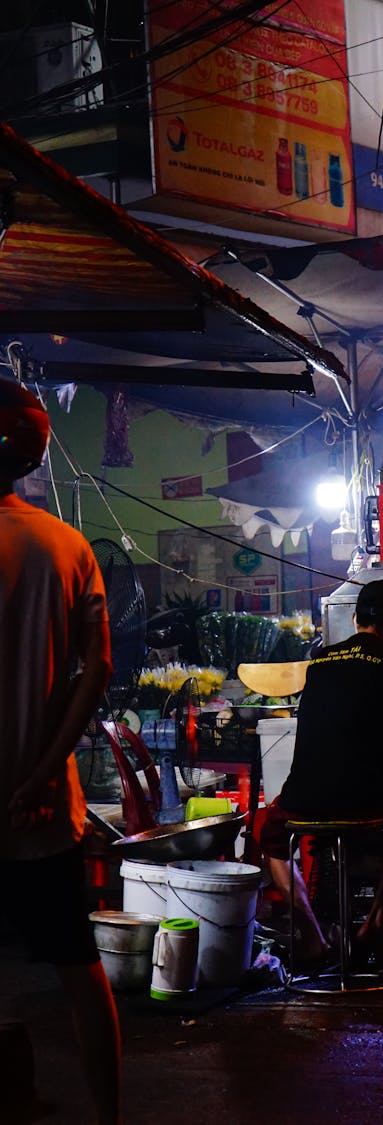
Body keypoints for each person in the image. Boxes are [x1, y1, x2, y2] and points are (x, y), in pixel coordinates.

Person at [0, 380, 123, 1125]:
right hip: (42, 808)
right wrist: (45, 771)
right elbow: (97, 668)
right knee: (80, 967)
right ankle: (107, 1116)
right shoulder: (67, 544)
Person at [260, 578, 383, 965]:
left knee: (270, 833)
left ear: (354, 618)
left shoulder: (320, 660)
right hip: (366, 803)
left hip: (304, 800)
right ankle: (373, 924)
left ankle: (312, 935)